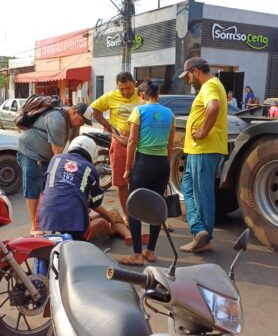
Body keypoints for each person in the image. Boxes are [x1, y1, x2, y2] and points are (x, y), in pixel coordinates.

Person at [119, 80, 175, 266]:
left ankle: (136, 255)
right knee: (155, 207)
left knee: (134, 207)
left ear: (141, 95)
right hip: (162, 166)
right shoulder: (169, 113)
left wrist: (128, 168)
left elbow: (132, 141)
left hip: (143, 164)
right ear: (157, 95)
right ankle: (150, 251)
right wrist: (165, 168)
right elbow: (170, 145)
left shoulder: (139, 111)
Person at [17, 103, 94, 236]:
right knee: (33, 188)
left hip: (47, 158)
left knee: (48, 188)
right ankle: (34, 226)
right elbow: (58, 153)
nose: (81, 125)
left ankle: (50, 220)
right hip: (31, 153)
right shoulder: (56, 119)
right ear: (74, 111)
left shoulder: (73, 124)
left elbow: (74, 148)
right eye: (81, 121)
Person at [178, 57, 228, 253]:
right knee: (188, 186)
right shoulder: (213, 85)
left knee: (201, 193)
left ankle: (203, 235)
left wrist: (202, 132)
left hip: (204, 149)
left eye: (189, 75)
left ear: (196, 71)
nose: (189, 80)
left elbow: (213, 107)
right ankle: (199, 230)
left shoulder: (209, 86)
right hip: (198, 150)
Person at [90, 72, 140, 225]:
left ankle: (141, 214)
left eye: (128, 88)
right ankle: (126, 215)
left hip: (140, 145)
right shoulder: (111, 96)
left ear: (135, 83)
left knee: (139, 182)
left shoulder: (142, 95)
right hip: (119, 144)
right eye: (121, 89)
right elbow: (95, 110)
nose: (125, 92)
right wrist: (110, 129)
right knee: (121, 182)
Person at [36, 135, 104, 240]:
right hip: (73, 218)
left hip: (46, 215)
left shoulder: (55, 159)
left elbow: (45, 187)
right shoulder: (90, 168)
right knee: (101, 224)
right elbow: (96, 200)